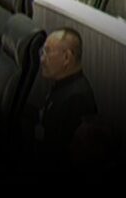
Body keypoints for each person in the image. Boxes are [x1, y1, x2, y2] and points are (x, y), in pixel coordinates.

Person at [28, 28, 98, 156]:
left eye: (47, 52)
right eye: (42, 52)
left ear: (67, 58)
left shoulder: (76, 100)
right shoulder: (62, 84)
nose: (42, 59)